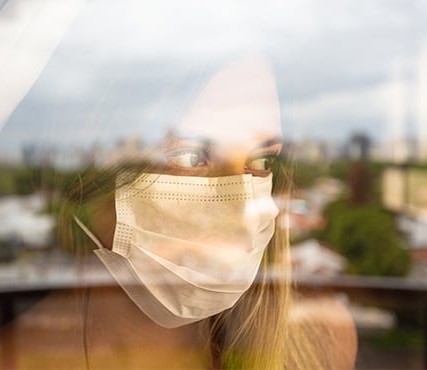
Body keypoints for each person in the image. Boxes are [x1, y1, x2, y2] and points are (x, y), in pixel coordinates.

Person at [52, 56, 358, 369]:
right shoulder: (11, 357)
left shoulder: (320, 346)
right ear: (92, 182)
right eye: (187, 157)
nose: (239, 208)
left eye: (261, 161)